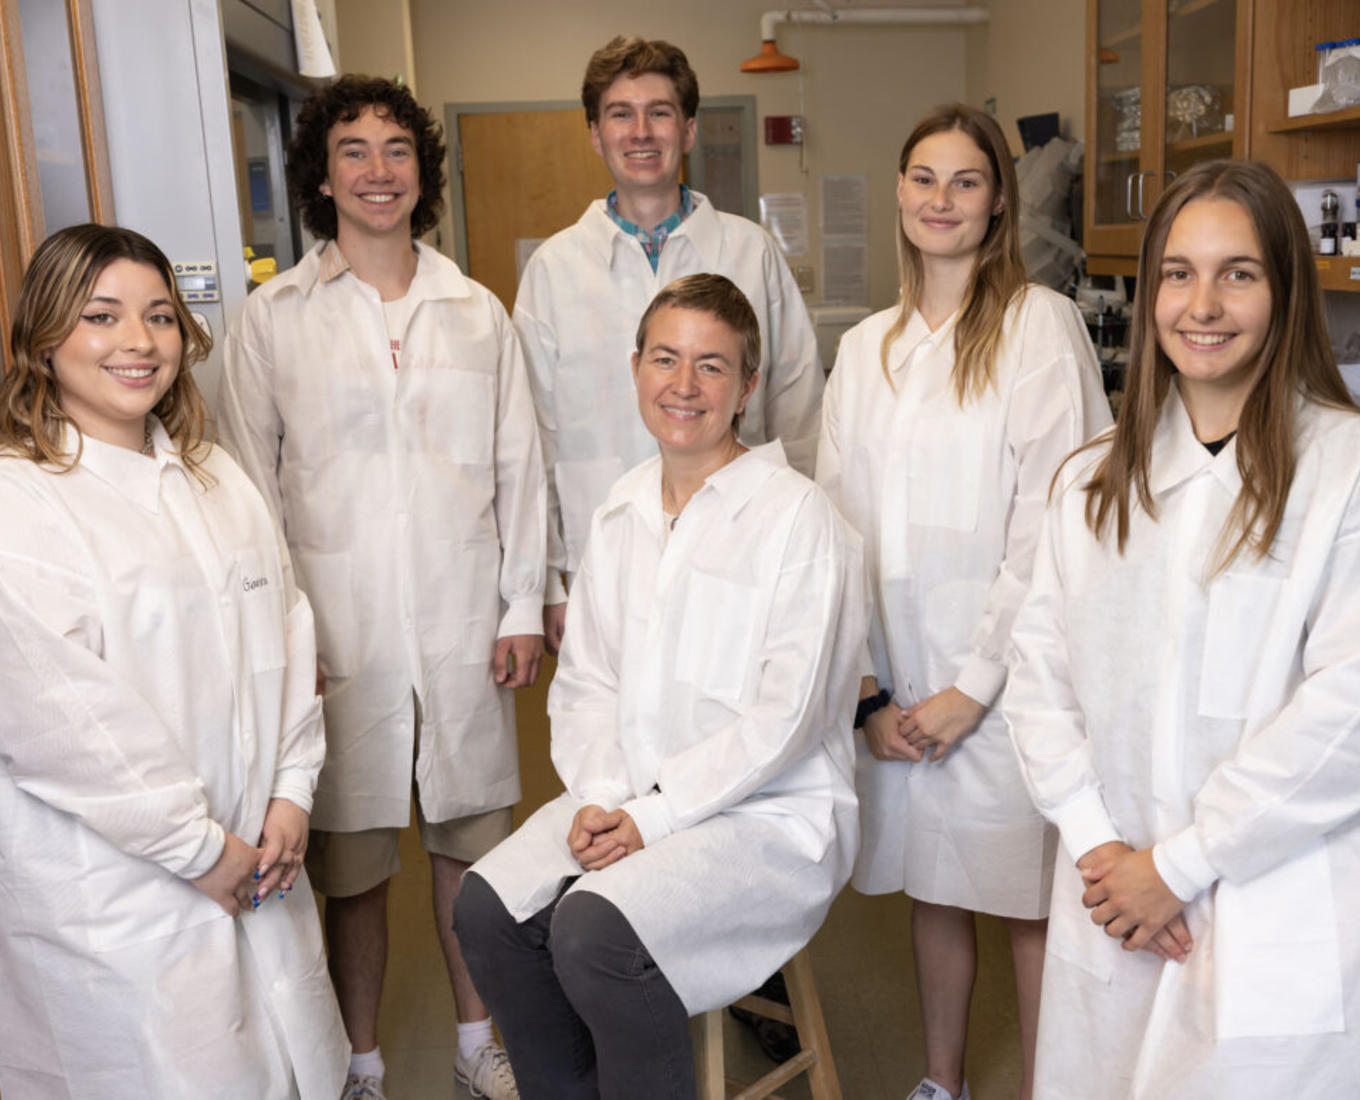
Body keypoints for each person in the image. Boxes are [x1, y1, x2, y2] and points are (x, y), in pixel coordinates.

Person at [452, 273, 865, 1099]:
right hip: (627, 794)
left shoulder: (798, 519)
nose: (684, 385)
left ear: (749, 385)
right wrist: (607, 801)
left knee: (592, 933)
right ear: (634, 366)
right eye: (666, 358)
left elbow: (784, 721)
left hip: (766, 815)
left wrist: (654, 816)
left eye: (712, 366)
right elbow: (588, 684)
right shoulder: (621, 511)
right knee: (485, 910)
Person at [219, 76, 545, 1100]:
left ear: (422, 171)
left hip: (461, 625)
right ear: (320, 173)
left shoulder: (476, 312)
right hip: (336, 638)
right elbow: (245, 489)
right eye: (352, 150)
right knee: (350, 871)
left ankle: (474, 1038)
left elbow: (519, 468)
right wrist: (281, 640)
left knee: (472, 859)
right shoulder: (273, 320)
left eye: (396, 149)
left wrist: (523, 602)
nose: (376, 170)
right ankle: (357, 1061)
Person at [1005, 159, 1360, 1097]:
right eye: (1177, 272)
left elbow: (1346, 712)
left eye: (1238, 272)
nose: (1202, 303)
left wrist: (1182, 864)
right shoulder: (1089, 482)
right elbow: (1037, 678)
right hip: (1110, 899)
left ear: (1286, 289)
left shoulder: (1343, 470)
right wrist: (1102, 852)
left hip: (1260, 899)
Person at [0, 223, 348, 1098]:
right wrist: (200, 850)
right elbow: (63, 725)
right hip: (124, 899)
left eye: (159, 316)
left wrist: (292, 791)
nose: (138, 342)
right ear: (44, 338)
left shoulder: (211, 475)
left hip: (257, 863)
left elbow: (291, 632)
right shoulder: (22, 500)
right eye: (101, 316)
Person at [816, 104, 1111, 1100]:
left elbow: (1051, 526)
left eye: (965, 181)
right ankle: (942, 1079)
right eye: (924, 178)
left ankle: (1045, 1083)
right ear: (900, 195)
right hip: (895, 677)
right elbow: (833, 527)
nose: (940, 199)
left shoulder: (1043, 328)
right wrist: (865, 686)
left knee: (1026, 895)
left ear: (996, 203)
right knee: (934, 887)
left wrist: (973, 686)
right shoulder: (864, 349)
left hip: (1008, 680)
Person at [514, 35, 824, 653]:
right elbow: (534, 437)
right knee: (611, 727)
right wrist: (547, 583)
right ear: (596, 135)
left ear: (687, 131)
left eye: (659, 112)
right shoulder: (554, 270)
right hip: (601, 561)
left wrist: (806, 542)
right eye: (620, 114)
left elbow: (800, 411)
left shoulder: (750, 252)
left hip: (743, 553)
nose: (641, 131)